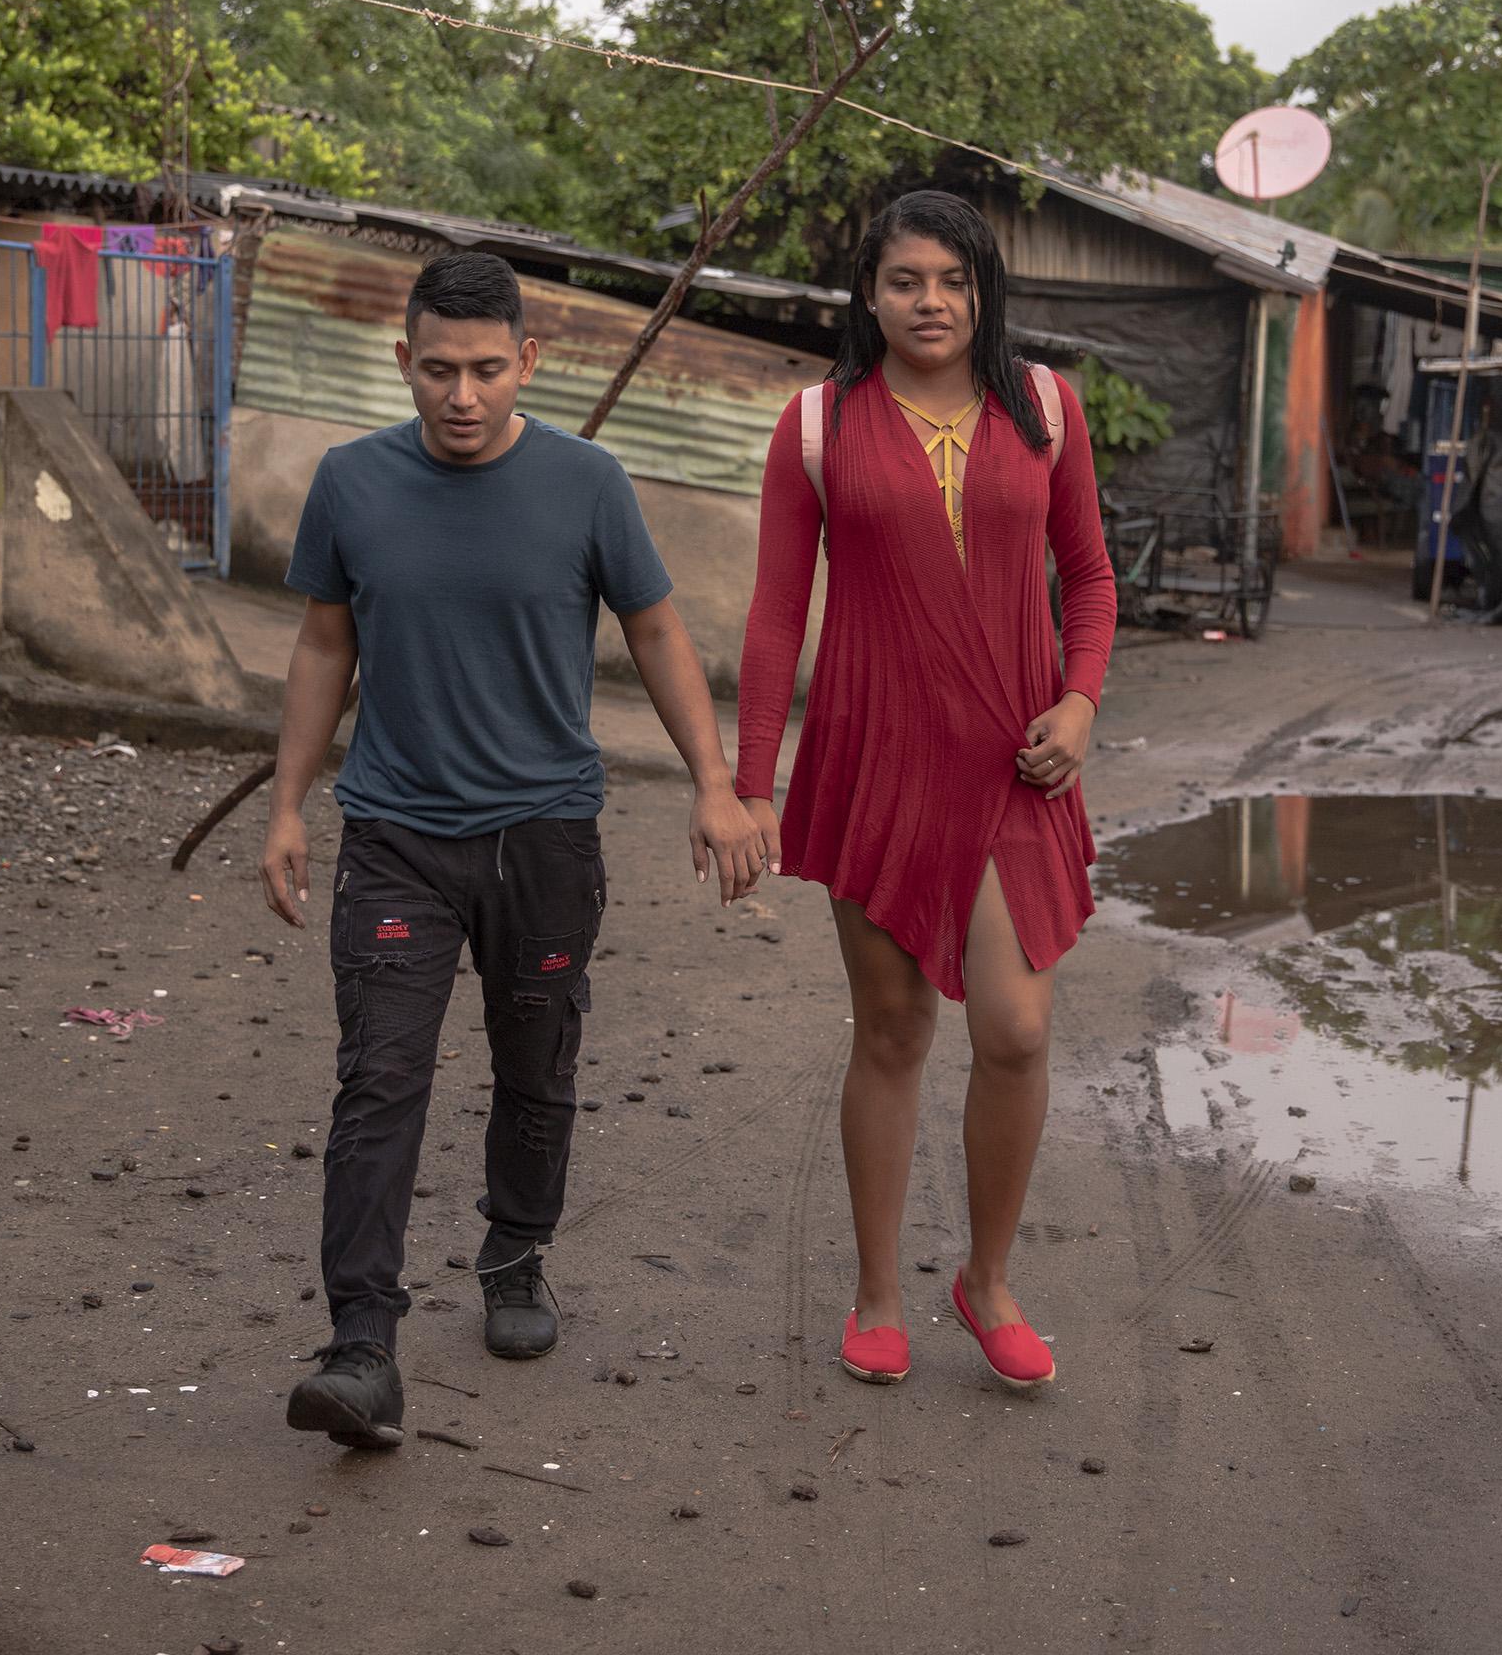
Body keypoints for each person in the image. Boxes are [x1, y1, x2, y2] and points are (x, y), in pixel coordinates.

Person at [261, 250, 765, 1451]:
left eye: (488, 369)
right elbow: (325, 646)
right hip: (395, 835)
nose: (463, 395)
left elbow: (654, 628)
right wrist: (288, 804)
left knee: (537, 1062)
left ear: (529, 360)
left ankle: (516, 1251)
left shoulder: (588, 482)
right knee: (381, 1076)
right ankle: (361, 1344)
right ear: (405, 363)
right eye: (438, 369)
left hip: (544, 837)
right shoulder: (351, 482)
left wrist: (715, 783)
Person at [733, 189, 1115, 1390]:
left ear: (984, 287)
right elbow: (775, 613)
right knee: (894, 1028)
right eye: (906, 280)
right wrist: (751, 785)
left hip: (1016, 760)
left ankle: (986, 1280)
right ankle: (878, 1292)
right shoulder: (815, 424)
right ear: (870, 292)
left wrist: (1082, 701)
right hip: (875, 758)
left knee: (1015, 1026)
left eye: (952, 279)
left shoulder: (1045, 407)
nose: (931, 301)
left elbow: (1090, 578)